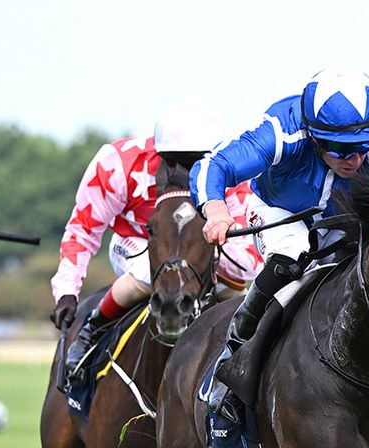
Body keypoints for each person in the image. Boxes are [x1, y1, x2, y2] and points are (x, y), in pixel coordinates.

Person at [193, 67, 369, 423]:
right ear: (313, 135)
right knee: (290, 259)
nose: (354, 159)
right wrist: (216, 210)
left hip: (348, 219)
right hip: (281, 211)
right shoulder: (281, 132)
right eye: (340, 148)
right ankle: (233, 363)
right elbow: (213, 166)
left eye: (362, 147)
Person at [50, 100, 263, 375]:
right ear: (159, 152)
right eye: (174, 162)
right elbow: (83, 229)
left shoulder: (235, 171)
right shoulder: (117, 163)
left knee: (240, 272)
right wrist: (67, 291)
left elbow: (250, 254)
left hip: (204, 247)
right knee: (147, 270)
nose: (185, 174)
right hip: (137, 242)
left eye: (197, 162)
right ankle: (93, 328)